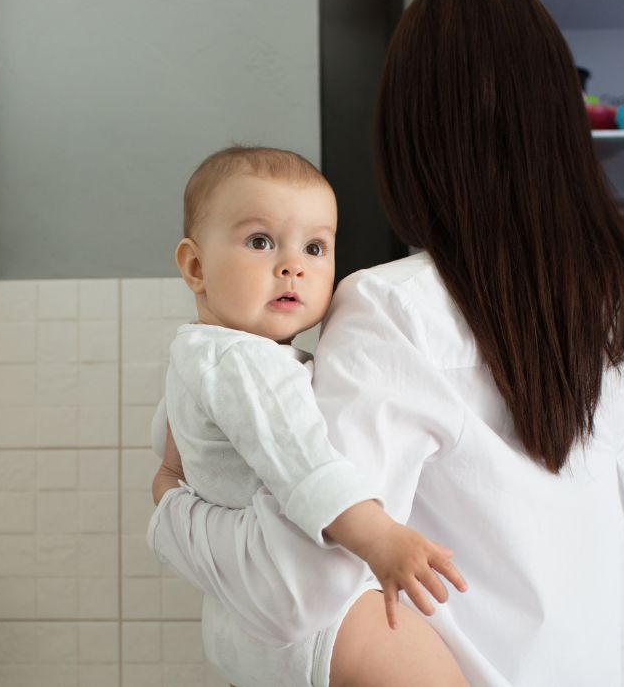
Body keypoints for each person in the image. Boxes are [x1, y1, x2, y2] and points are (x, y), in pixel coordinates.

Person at [150, 0, 624, 684]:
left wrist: (172, 507)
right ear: (564, 127)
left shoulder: (395, 309)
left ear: (406, 140)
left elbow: (299, 588)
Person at [156, 145, 468, 687]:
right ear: (196, 266)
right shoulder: (244, 362)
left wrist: (166, 492)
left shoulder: (195, 356)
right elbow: (307, 467)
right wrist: (382, 539)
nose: (292, 266)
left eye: (315, 247)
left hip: (245, 623)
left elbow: (173, 461)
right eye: (260, 241)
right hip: (328, 620)